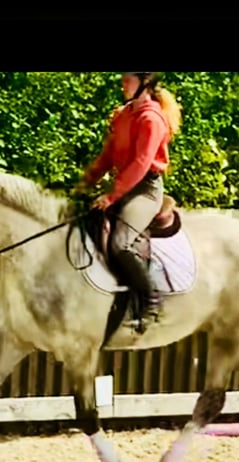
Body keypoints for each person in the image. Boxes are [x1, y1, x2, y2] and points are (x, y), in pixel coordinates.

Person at [79, 72, 182, 331]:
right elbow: (108, 155)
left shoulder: (152, 119)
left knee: (121, 244)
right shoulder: (124, 115)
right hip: (123, 184)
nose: (123, 83)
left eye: (128, 79)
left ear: (144, 82)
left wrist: (113, 195)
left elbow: (141, 163)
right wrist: (86, 181)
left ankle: (151, 301)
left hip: (144, 189)